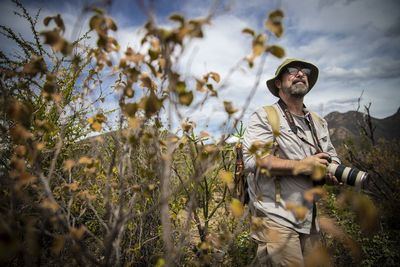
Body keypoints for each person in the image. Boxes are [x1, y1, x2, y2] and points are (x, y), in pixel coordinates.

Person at [242, 58, 340, 266]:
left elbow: (332, 157)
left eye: (305, 71)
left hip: (310, 219)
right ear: (278, 83)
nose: (301, 73)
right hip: (275, 217)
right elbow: (254, 160)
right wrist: (302, 165)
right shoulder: (265, 116)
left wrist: (332, 173)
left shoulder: (318, 122)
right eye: (292, 70)